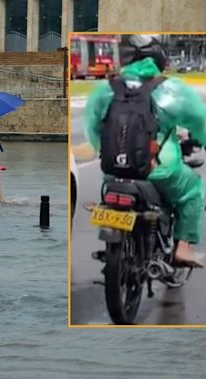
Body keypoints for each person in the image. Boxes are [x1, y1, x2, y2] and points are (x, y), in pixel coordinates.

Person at [84, 34, 206, 268]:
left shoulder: (105, 89)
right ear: (158, 59)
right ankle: (183, 248)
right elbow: (201, 124)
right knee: (193, 191)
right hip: (159, 172)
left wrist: (111, 153)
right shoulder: (170, 90)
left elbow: (92, 129)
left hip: (113, 173)